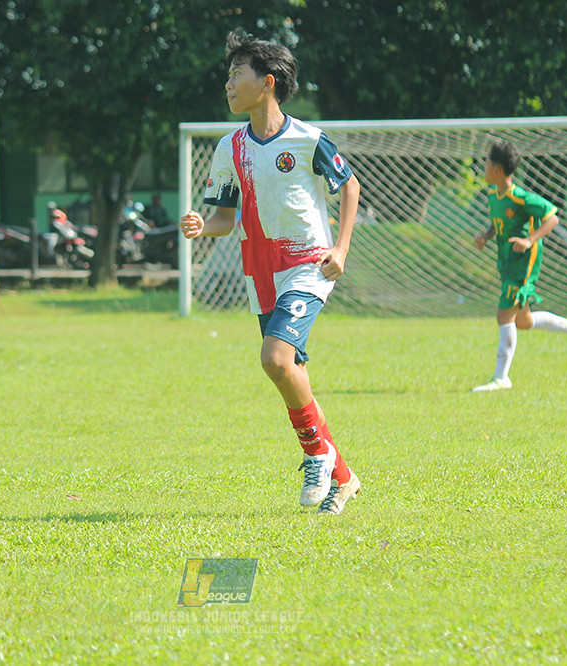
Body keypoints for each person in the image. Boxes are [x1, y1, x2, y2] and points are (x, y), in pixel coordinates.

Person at [180, 30, 362, 515]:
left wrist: (340, 249)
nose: (228, 83)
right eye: (228, 75)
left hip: (308, 264)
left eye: (236, 74)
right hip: (261, 274)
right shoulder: (229, 148)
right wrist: (202, 226)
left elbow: (350, 186)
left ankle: (316, 454)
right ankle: (343, 477)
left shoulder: (308, 139)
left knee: (276, 360)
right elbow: (225, 218)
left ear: (267, 82)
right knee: (290, 373)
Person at [471, 140, 567, 392]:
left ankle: (501, 378)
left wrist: (529, 240)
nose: (483, 167)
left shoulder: (521, 198)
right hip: (506, 263)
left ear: (496, 170)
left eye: (486, 163)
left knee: (503, 314)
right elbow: (497, 222)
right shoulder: (494, 196)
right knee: (523, 321)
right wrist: (485, 236)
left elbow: (552, 217)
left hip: (523, 265)